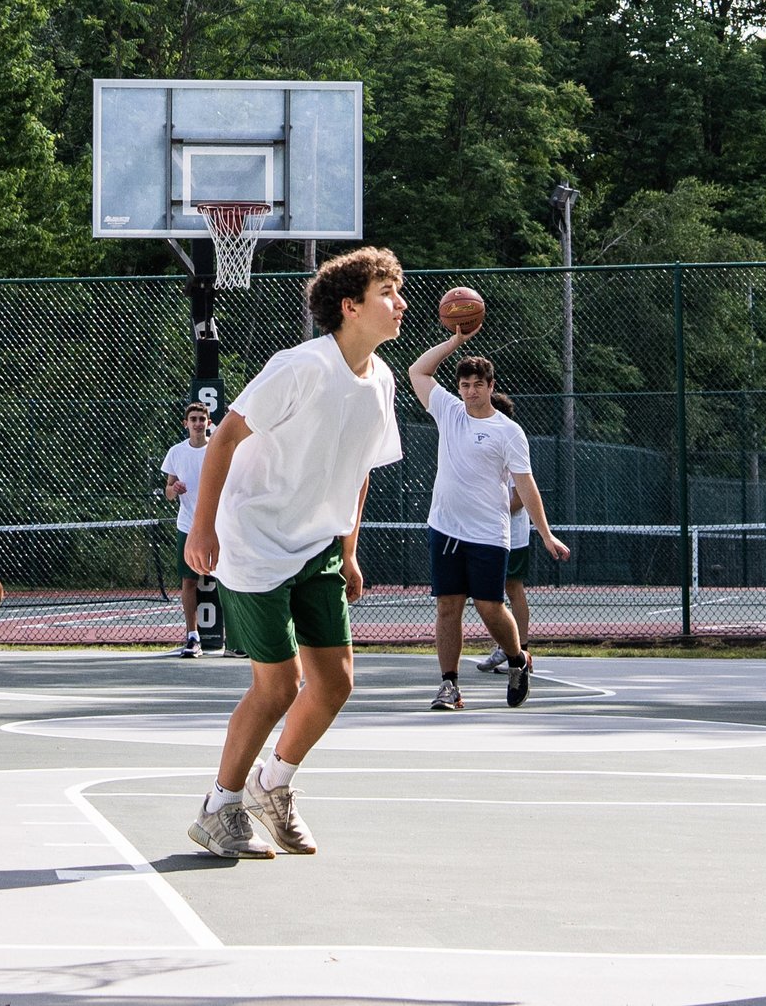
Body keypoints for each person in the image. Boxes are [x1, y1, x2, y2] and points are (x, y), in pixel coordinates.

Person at [182, 248, 407, 860]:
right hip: (253, 540)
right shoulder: (300, 366)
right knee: (278, 686)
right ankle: (218, 806)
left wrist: (350, 549)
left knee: (333, 683)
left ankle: (272, 785)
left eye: (399, 292)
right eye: (388, 293)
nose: (401, 304)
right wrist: (201, 531)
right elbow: (225, 436)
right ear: (350, 306)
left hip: (318, 547)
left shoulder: (381, 382)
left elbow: (359, 470)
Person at [408, 333, 532, 709]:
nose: (470, 391)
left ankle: (516, 659)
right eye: (464, 384)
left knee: (490, 605)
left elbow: (527, 487)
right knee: (448, 605)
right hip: (445, 527)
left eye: (478, 384)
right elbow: (418, 370)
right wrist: (455, 340)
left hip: (489, 534)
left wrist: (545, 533)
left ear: (491, 387)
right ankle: (449, 685)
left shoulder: (508, 431)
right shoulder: (448, 410)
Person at [477, 390, 571, 675]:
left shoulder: (509, 441)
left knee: (511, 590)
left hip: (511, 536)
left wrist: (488, 508)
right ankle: (508, 647)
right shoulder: (482, 443)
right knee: (492, 594)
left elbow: (519, 499)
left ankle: (521, 650)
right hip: (486, 533)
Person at [161, 401, 214, 657]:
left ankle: (238, 640)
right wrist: (175, 489)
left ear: (209, 422)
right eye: (193, 419)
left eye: (201, 419)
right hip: (187, 527)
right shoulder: (176, 453)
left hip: (217, 526)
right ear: (186, 423)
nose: (197, 423)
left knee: (228, 581)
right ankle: (193, 637)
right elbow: (168, 492)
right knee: (189, 581)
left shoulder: (217, 449)